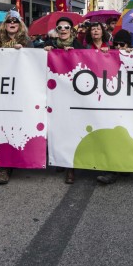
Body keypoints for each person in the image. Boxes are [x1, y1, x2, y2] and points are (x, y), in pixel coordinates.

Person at [0, 13, 30, 185]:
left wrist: (25, 52)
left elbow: (36, 60)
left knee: (19, 124)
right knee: (2, 125)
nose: (12, 23)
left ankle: (22, 157)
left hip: (22, 89)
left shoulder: (29, 42)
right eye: (9, 21)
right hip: (1, 89)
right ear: (4, 25)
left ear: (20, 25)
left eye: (15, 21)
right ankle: (5, 167)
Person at [45, 17, 83, 184]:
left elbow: (90, 60)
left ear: (71, 29)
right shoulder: (50, 46)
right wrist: (44, 50)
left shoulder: (80, 46)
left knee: (72, 129)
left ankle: (70, 168)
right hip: (54, 94)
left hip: (74, 94)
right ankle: (60, 159)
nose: (63, 30)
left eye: (66, 27)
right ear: (57, 30)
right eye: (60, 27)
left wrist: (76, 53)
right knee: (56, 129)